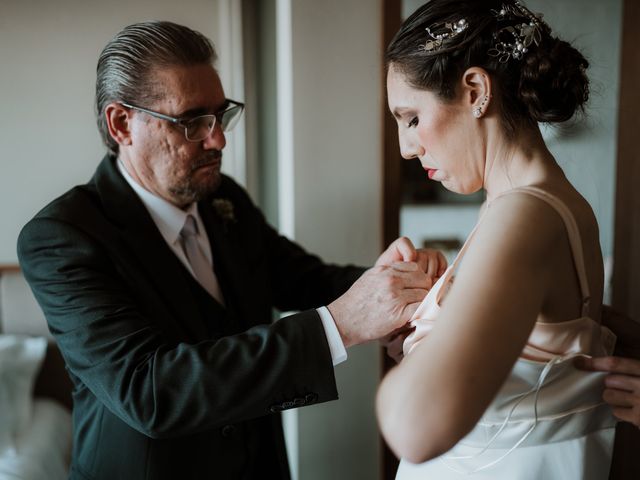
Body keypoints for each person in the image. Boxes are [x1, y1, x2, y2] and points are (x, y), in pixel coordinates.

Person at [16, 21, 447, 480]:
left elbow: (305, 278)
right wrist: (342, 324)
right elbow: (150, 390)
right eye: (192, 122)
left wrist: (396, 285)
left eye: (220, 115)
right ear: (122, 123)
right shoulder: (62, 238)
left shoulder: (225, 201)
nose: (218, 138)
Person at [376, 0, 619, 478]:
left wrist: (417, 352)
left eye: (411, 118)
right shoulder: (531, 207)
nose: (406, 147)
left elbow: (414, 426)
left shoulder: (525, 215)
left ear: (474, 91)